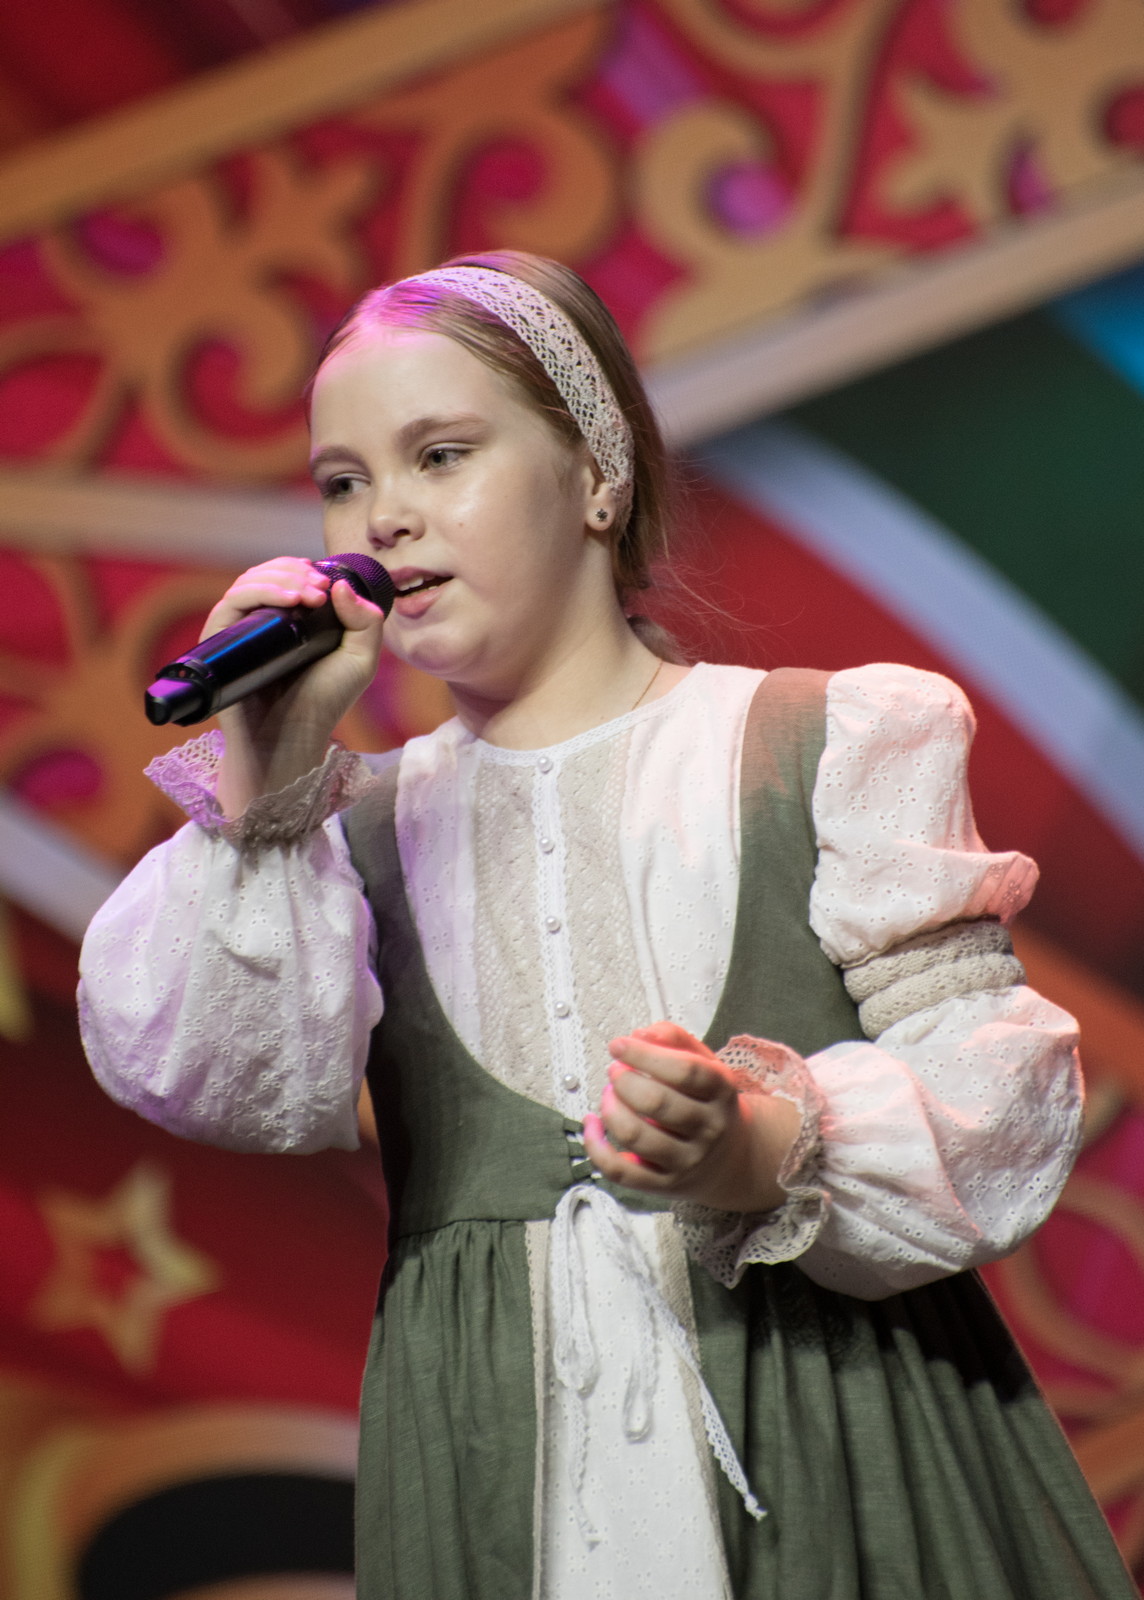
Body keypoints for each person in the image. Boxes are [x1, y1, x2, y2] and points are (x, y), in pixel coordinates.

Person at [79, 252, 1135, 1600]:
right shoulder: (337, 836)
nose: (382, 518)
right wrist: (263, 781)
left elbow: (1001, 1096)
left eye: (440, 456)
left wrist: (763, 1144)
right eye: (343, 481)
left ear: (597, 473)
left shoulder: (821, 740)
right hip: (500, 1448)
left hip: (822, 1415)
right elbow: (223, 1086)